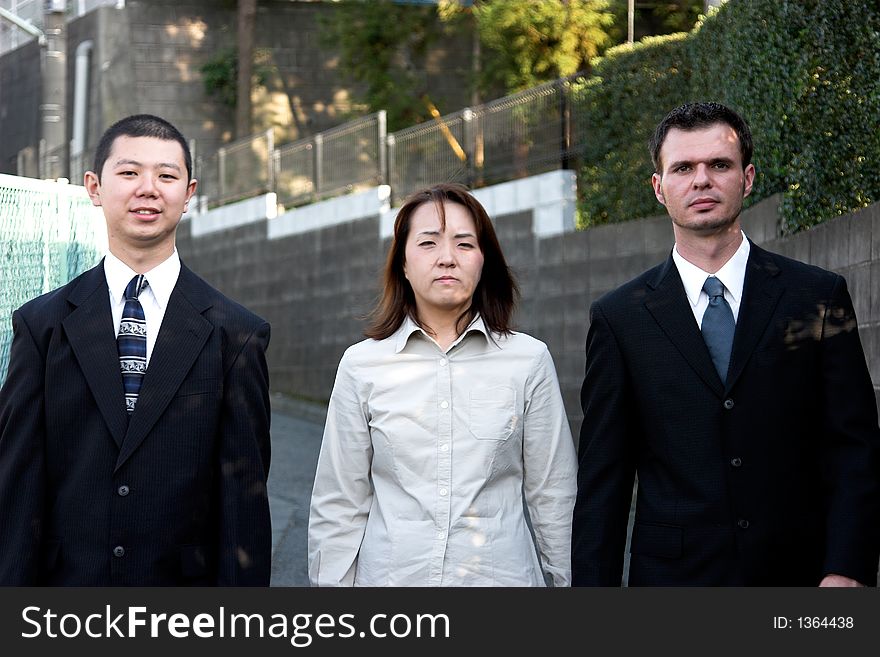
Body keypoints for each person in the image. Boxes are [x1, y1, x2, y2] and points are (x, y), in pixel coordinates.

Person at [572, 101, 880, 586]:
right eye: (683, 168)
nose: (701, 180)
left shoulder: (818, 296)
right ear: (659, 188)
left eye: (719, 164)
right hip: (673, 586)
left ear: (748, 178)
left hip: (799, 577)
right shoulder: (619, 317)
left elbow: (854, 447)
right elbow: (603, 480)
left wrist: (847, 570)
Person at [0, 114, 272, 585]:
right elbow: (17, 489)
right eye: (129, 173)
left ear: (188, 194)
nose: (148, 188)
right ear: (94, 186)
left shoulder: (236, 335)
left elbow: (242, 506)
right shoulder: (42, 327)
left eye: (167, 176)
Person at [308, 183, 577, 586]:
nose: (447, 258)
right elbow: (340, 501)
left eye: (464, 245)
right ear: (402, 261)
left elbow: (553, 495)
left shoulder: (529, 361)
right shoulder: (362, 365)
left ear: (484, 260)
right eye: (428, 243)